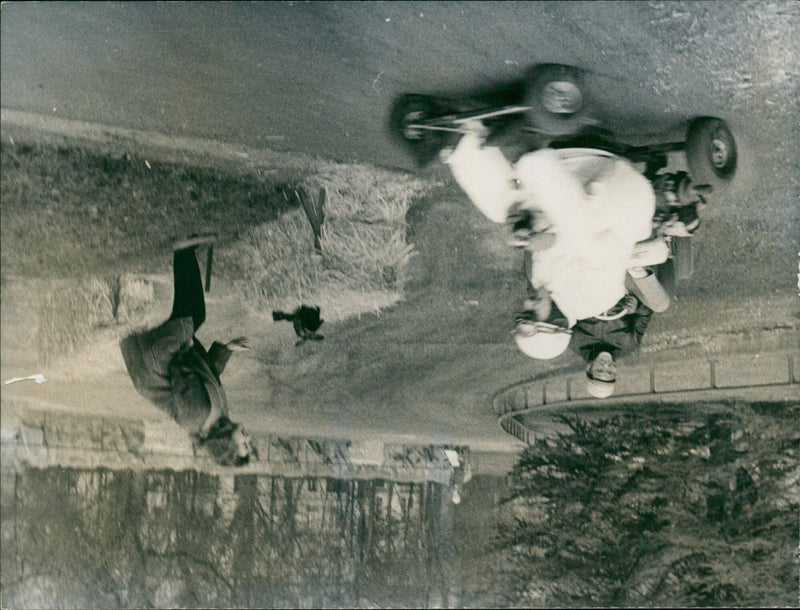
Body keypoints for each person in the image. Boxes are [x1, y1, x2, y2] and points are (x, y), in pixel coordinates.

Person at [120, 235, 257, 466]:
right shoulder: (220, 417)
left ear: (226, 444)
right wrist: (227, 349)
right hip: (170, 363)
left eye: (244, 444)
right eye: (249, 443)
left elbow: (180, 370)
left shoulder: (197, 416)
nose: (248, 438)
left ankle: (182, 250)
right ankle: (184, 252)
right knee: (193, 317)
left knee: (189, 322)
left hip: (154, 365)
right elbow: (206, 376)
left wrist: (188, 342)